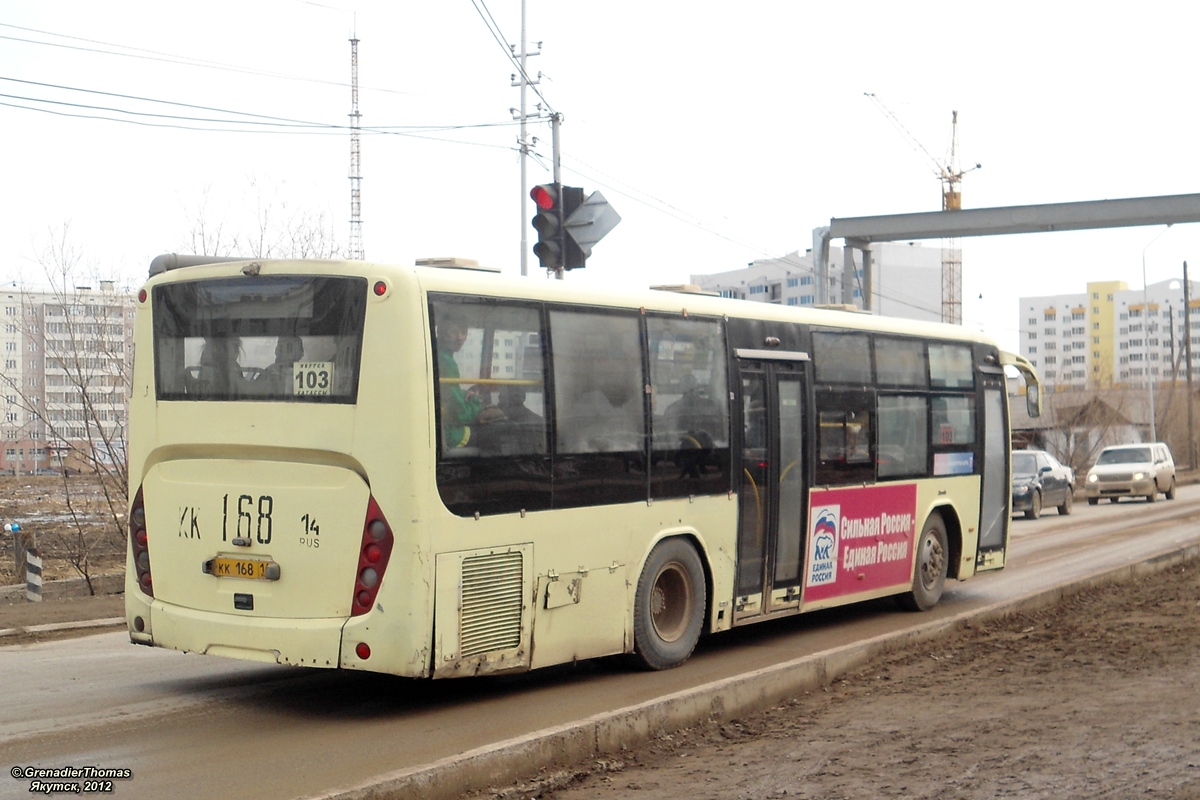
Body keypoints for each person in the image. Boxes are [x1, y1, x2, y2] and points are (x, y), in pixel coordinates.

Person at [436, 315, 504, 450]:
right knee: (501, 431)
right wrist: (476, 403)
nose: (460, 337)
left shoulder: (439, 354)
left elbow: (447, 391)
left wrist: (465, 394)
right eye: (454, 332)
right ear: (441, 332)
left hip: (443, 426)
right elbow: (461, 415)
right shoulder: (445, 361)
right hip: (450, 433)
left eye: (464, 333)